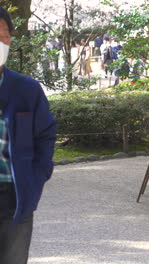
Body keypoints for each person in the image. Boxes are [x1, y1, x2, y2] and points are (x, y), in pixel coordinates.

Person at [0, 7, 56, 263]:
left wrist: (35, 181)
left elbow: (45, 135)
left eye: (4, 36)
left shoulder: (27, 90)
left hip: (14, 197)